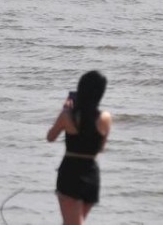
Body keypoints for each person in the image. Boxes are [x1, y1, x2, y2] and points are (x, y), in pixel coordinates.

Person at [47, 71, 113, 225]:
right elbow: (101, 148)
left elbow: (50, 137)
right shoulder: (105, 118)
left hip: (70, 172)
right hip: (91, 173)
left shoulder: (68, 116)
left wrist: (64, 111)